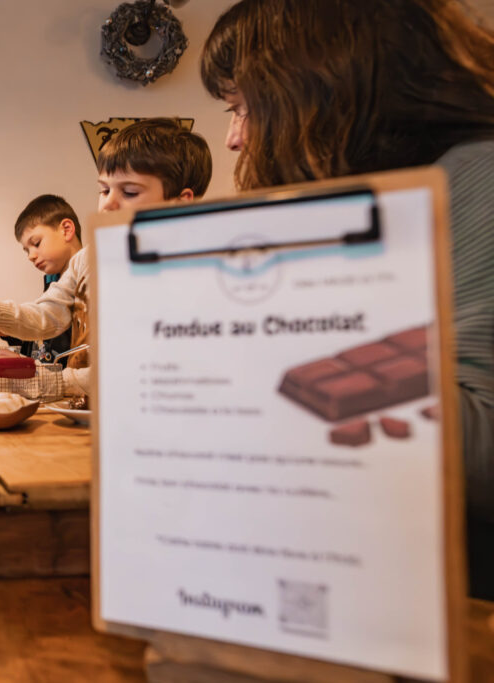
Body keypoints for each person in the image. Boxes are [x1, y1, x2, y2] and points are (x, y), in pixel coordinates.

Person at [200, 0, 494, 597]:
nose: (232, 139)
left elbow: (481, 457)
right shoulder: (402, 194)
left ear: (318, 86)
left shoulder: (475, 178)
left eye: (240, 107)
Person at [0, 118, 212, 396]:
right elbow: (47, 316)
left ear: (180, 202)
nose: (108, 203)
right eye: (104, 189)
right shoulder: (90, 259)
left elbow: (140, 370)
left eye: (129, 192)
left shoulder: (200, 272)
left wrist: (50, 382)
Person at [0, 195, 83, 364]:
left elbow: (69, 353)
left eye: (36, 243)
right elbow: (47, 344)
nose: (31, 256)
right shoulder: (53, 281)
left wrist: (28, 366)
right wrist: (14, 336)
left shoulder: (87, 278)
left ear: (66, 230)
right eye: (26, 250)